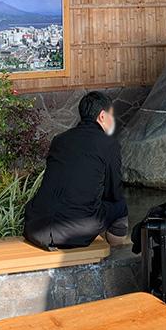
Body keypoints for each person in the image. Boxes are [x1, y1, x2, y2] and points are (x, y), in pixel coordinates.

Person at [23, 92, 128, 250]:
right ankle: (114, 255)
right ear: (102, 116)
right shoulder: (108, 144)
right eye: (111, 115)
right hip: (72, 232)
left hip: (35, 225)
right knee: (119, 206)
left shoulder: (60, 139)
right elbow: (113, 192)